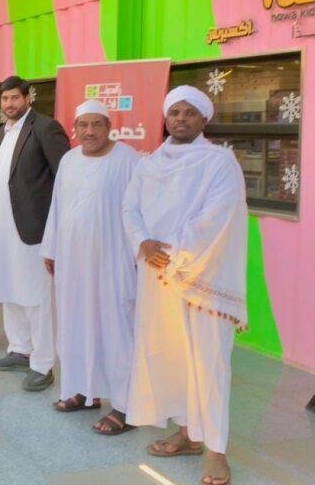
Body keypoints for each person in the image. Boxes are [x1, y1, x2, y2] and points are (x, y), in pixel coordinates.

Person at [123, 85, 247, 485]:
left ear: (204, 119)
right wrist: (143, 242)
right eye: (174, 112)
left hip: (200, 277)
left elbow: (218, 216)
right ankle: (189, 434)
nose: (180, 119)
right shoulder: (148, 164)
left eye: (189, 113)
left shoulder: (219, 162)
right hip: (155, 275)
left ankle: (216, 452)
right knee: (171, 358)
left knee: (208, 363)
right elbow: (130, 207)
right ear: (165, 117)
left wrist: (174, 252)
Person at [40, 99, 139, 434]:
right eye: (83, 125)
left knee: (115, 330)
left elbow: (140, 210)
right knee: (75, 324)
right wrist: (51, 248)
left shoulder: (127, 160)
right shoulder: (69, 160)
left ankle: (125, 406)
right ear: (75, 129)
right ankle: (83, 391)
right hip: (72, 262)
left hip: (113, 262)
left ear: (109, 127)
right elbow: (57, 206)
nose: (90, 131)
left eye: (97, 124)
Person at [0, 75, 70, 392]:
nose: (9, 104)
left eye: (15, 98)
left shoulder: (46, 128)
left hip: (34, 228)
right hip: (4, 228)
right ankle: (20, 349)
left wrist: (58, 227)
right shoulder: (1, 132)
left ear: (27, 98)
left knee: (37, 296)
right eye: (5, 99)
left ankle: (43, 364)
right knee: (9, 288)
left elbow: (65, 176)